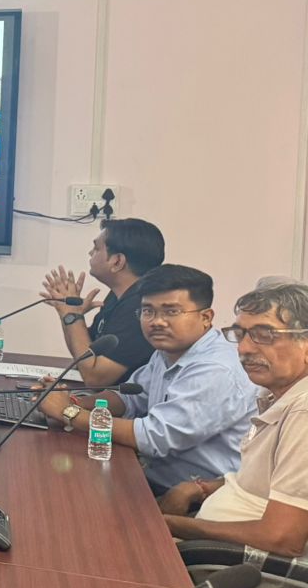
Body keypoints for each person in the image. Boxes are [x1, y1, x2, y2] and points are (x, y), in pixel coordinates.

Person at [35, 265, 254, 494]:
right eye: (148, 311)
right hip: (150, 475)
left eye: (171, 312)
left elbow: (154, 437)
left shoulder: (215, 370)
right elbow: (131, 398)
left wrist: (69, 413)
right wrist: (73, 402)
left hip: (195, 497)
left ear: (206, 317)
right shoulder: (168, 351)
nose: (157, 321)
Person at [159, 281, 308, 557]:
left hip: (229, 567)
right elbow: (261, 484)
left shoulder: (303, 413)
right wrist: (201, 488)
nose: (244, 348)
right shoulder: (274, 396)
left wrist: (172, 526)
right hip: (211, 545)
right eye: (240, 334)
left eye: (264, 335)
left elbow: (282, 538)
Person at [40, 218, 166, 386]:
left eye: (96, 248)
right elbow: (83, 355)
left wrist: (73, 316)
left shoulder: (140, 309)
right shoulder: (118, 296)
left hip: (122, 401)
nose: (90, 253)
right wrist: (67, 314)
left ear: (117, 261)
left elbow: (94, 378)